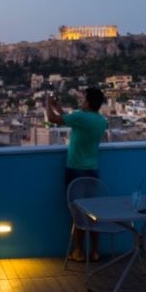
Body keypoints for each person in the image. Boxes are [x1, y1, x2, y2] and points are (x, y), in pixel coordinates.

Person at [45, 87, 108, 262]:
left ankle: (79, 251)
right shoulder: (101, 120)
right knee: (93, 211)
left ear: (88, 102)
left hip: (75, 169)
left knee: (78, 211)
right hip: (92, 170)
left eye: (83, 98)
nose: (81, 101)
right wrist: (57, 107)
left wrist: (47, 103)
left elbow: (52, 119)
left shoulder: (80, 117)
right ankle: (95, 251)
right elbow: (69, 119)